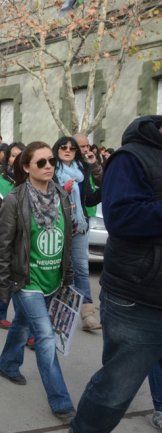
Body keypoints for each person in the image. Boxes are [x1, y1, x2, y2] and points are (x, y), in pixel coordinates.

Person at [70, 115, 162, 432]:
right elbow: (120, 216)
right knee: (114, 389)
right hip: (139, 298)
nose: (77, 151)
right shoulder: (131, 157)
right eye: (72, 147)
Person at [0, 141, 76, 422]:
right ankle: (61, 401)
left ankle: (7, 364)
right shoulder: (14, 200)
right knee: (44, 336)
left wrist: (69, 276)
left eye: (51, 160)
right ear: (26, 167)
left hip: (53, 280)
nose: (49, 166)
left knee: (23, 323)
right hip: (26, 282)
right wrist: (2, 287)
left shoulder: (61, 197)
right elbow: (2, 247)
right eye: (41, 162)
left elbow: (68, 241)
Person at [52, 137, 102, 331]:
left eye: (72, 148)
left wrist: (96, 168)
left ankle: (87, 314)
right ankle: (53, 311)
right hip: (56, 224)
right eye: (64, 147)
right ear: (57, 149)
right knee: (57, 267)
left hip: (79, 225)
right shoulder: (50, 168)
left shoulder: (82, 170)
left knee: (81, 266)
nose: (68, 150)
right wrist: (62, 191)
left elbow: (89, 200)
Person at [0, 142, 25, 329]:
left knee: (22, 280)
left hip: (25, 240)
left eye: (21, 155)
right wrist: (15, 211)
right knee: (4, 278)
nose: (16, 159)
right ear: (6, 158)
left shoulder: (31, 181)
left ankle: (22, 321)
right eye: (12, 155)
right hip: (1, 238)